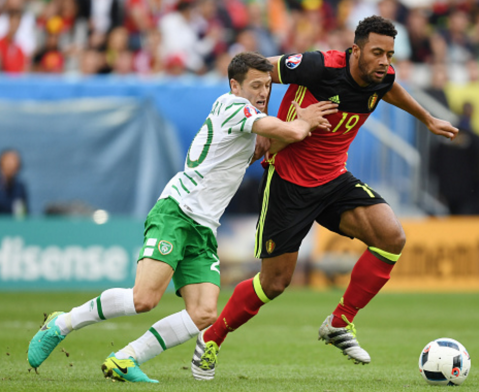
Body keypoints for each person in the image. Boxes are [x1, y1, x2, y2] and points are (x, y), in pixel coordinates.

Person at [26, 51, 338, 383]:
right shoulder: (232, 106)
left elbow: (258, 149)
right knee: (144, 298)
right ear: (235, 85)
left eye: (268, 86)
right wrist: (301, 121)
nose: (263, 92)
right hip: (178, 211)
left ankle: (126, 358)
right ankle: (62, 323)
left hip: (204, 226)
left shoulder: (247, 122)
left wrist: (293, 134)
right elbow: (284, 132)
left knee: (203, 312)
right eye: (256, 85)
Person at [192, 15, 458, 381]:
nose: (385, 61)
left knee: (391, 237)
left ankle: (339, 321)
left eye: (390, 54)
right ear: (355, 50)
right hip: (288, 181)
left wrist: (426, 118)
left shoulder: (383, 77)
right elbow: (260, 70)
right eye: (377, 52)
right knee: (274, 284)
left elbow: (390, 88)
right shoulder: (319, 66)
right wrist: (264, 123)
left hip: (334, 180)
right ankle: (212, 337)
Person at [0, 149, 27, 216]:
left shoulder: (20, 188)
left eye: (15, 162)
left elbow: (23, 214)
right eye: (8, 162)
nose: (12, 165)